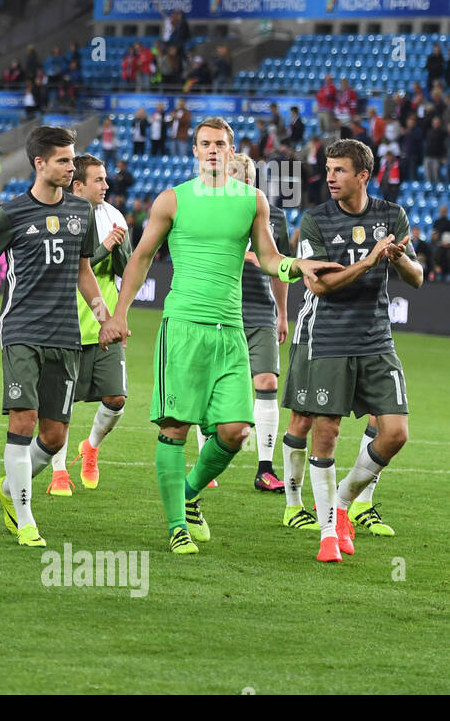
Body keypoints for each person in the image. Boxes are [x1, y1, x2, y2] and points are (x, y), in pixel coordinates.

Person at [98, 117, 339, 555]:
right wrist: (118, 314)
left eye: (220, 144)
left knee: (236, 431)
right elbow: (142, 257)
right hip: (183, 328)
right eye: (205, 143)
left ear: (232, 150)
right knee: (175, 427)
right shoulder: (172, 200)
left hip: (230, 331)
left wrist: (296, 266)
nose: (213, 150)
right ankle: (177, 527)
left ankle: (188, 493)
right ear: (194, 151)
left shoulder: (253, 201)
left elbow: (269, 258)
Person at [0, 128, 107, 546]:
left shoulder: (81, 212)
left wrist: (105, 316)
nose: (71, 167)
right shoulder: (12, 213)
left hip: (65, 334)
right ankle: (26, 520)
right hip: (21, 329)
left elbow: (84, 272)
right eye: (63, 160)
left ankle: (9, 488)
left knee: (55, 436)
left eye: (73, 159)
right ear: (39, 163)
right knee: (23, 420)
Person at [288, 139, 422, 562]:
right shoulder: (316, 220)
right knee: (326, 433)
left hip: (377, 340)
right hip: (329, 340)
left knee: (396, 433)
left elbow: (416, 277)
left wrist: (397, 259)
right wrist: (368, 261)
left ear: (363, 175)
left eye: (340, 170)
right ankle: (328, 534)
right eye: (328, 169)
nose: (330, 177)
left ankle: (343, 501)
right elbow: (318, 285)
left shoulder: (391, 215)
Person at [45, 154, 130, 497]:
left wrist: (119, 248)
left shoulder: (114, 216)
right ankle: (59, 472)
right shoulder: (60, 218)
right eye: (99, 180)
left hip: (103, 326)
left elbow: (125, 269)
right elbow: (70, 270)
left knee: (116, 398)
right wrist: (105, 246)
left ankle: (91, 447)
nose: (106, 185)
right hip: (65, 326)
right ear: (78, 185)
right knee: (60, 407)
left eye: (105, 179)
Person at [227, 153, 292, 497]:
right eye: (237, 179)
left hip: (261, 312)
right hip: (222, 310)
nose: (245, 184)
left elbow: (280, 268)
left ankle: (265, 468)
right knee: (212, 386)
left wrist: (282, 313)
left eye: (248, 179)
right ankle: (208, 460)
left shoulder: (274, 216)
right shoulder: (214, 214)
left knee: (267, 381)